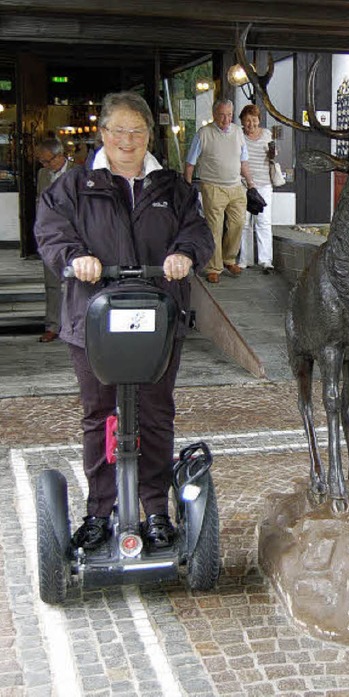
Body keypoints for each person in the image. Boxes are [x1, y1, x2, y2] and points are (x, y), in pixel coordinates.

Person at [34, 91, 214, 551]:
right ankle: (99, 509)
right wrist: (76, 259)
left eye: (137, 131)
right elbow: (52, 234)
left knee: (155, 414)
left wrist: (184, 255)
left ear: (149, 135)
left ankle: (154, 507)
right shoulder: (73, 185)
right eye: (118, 130)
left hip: (157, 321)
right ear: (103, 133)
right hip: (92, 322)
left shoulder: (174, 187)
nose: (127, 140)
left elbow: (197, 231)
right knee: (98, 415)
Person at [184, 98, 255, 284]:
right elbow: (190, 163)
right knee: (214, 228)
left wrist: (251, 184)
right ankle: (213, 267)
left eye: (229, 115)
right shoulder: (203, 134)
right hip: (213, 186)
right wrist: (186, 187)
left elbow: (244, 162)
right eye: (222, 115)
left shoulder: (239, 132)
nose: (226, 119)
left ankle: (229, 259)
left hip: (236, 186)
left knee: (238, 223)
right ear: (214, 115)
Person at [34, 137, 78, 342]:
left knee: (77, 281)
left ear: (60, 155)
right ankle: (53, 325)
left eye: (48, 160)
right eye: (42, 161)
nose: (45, 165)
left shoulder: (78, 173)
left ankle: (76, 325)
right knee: (52, 282)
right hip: (51, 236)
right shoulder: (43, 175)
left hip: (74, 235)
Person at [238, 104, 275, 274]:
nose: (251, 124)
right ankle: (245, 259)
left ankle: (266, 260)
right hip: (243, 184)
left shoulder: (267, 134)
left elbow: (272, 155)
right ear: (242, 122)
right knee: (244, 222)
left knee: (263, 222)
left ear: (259, 120)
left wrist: (273, 153)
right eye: (247, 121)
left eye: (254, 120)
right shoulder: (238, 135)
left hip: (264, 184)